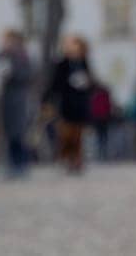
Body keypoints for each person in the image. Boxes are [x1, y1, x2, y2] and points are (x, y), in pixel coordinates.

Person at [44, 34, 96, 173]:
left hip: (80, 104)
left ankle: (77, 161)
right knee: (66, 134)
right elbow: (54, 84)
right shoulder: (62, 64)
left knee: (78, 135)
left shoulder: (84, 62)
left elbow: (92, 83)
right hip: (66, 104)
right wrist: (47, 100)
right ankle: (67, 158)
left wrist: (86, 83)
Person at [0, 29, 34, 178]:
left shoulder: (22, 56)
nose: (4, 43)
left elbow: (27, 75)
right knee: (8, 133)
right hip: (6, 98)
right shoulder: (2, 56)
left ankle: (21, 164)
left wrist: (12, 74)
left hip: (18, 98)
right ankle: (11, 164)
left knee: (19, 133)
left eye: (6, 40)